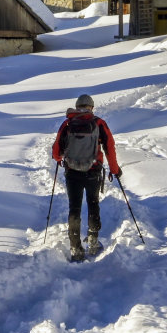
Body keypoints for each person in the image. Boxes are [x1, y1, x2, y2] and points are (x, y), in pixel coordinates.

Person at [50, 93, 121, 260]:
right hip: (93, 171)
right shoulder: (99, 123)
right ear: (91, 107)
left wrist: (61, 159)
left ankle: (75, 248)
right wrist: (114, 169)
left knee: (74, 207)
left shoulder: (67, 124)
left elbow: (56, 152)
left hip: (72, 172)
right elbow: (109, 147)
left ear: (77, 106)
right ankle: (93, 242)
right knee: (93, 203)